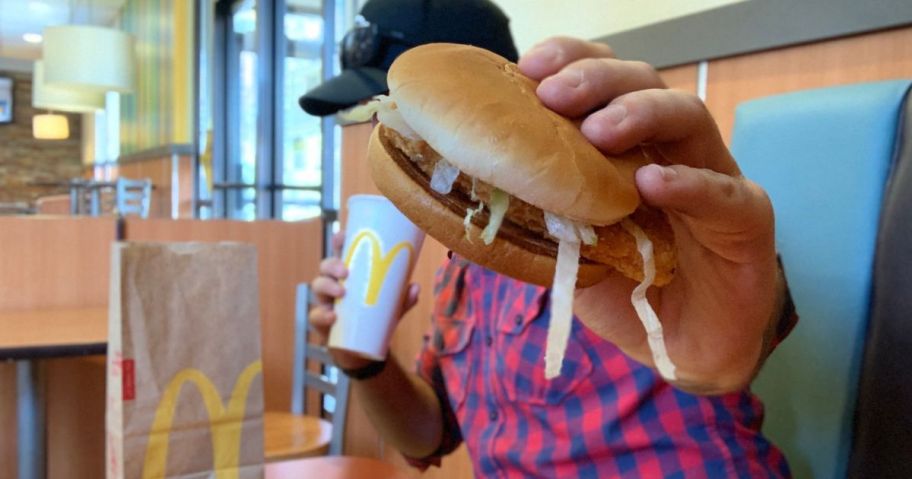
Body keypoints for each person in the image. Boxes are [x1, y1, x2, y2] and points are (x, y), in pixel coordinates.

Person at [302, 0, 797, 477]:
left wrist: (731, 342)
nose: (377, 126)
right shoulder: (464, 260)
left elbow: (737, 336)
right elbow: (429, 434)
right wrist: (365, 363)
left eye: (390, 110)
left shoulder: (627, 218)